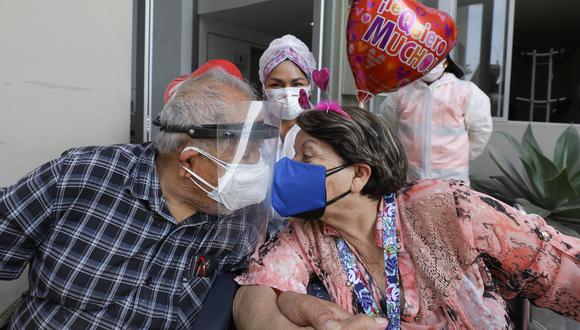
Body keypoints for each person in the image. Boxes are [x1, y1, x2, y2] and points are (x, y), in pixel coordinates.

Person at [233, 105, 579, 329]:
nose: (287, 168)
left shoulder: (447, 208)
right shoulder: (305, 233)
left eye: (305, 157)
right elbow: (253, 299)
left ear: (359, 175)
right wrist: (320, 319)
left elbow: (557, 268)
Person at [0, 69, 282, 329]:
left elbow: (268, 276)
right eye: (246, 154)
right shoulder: (81, 176)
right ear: (190, 163)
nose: (257, 166)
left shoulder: (243, 218)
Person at [381, 56, 493, 184]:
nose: (430, 64)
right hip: (410, 177)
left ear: (446, 61)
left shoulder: (466, 91)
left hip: (452, 179)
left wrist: (462, 156)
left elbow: (481, 131)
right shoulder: (401, 92)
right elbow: (388, 129)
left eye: (435, 58)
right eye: (424, 58)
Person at [259, 34, 317, 161]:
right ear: (264, 88)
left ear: (309, 87)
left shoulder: (321, 127)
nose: (286, 91)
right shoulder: (253, 126)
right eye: (276, 84)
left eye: (297, 84)